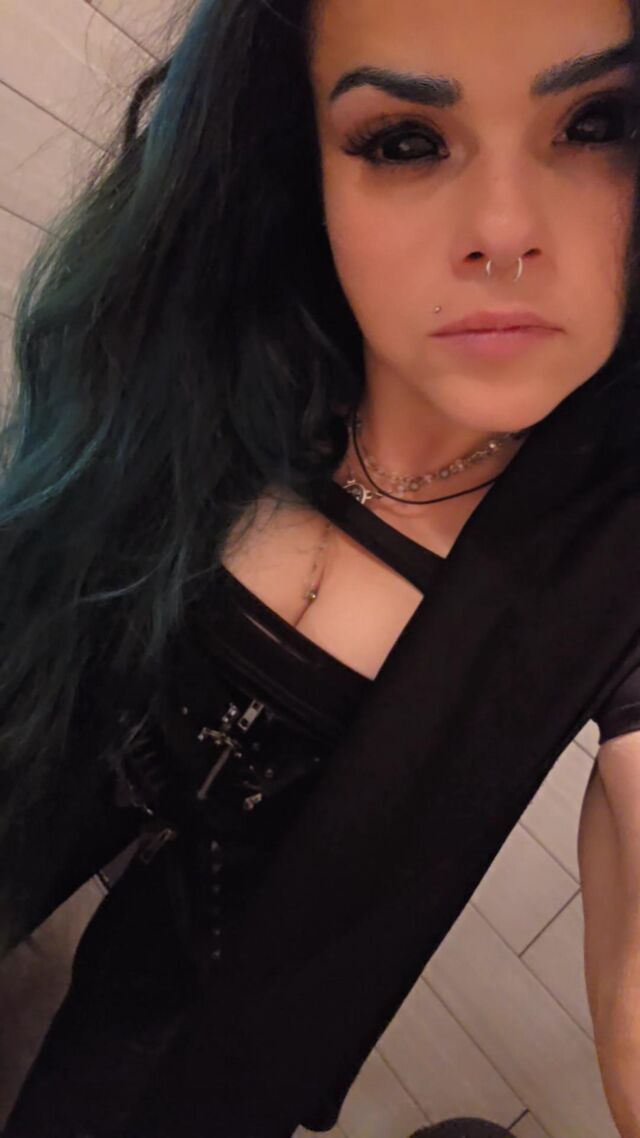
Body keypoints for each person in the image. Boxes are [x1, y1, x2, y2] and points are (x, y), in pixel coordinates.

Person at [1, 0, 640, 1134]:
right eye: (405, 140)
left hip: (218, 992)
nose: (504, 231)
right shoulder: (224, 350)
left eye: (598, 123)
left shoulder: (614, 555)